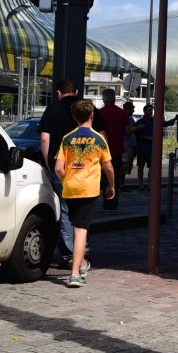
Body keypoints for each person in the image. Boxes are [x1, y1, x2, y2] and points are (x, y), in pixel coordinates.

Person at [39, 78, 106, 266]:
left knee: (65, 210)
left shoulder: (52, 108)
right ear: (76, 91)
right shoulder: (88, 108)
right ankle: (83, 248)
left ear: (59, 93)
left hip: (62, 167)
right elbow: (102, 136)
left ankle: (70, 254)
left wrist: (49, 163)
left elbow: (45, 139)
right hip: (87, 170)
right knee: (83, 211)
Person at [54, 99, 115, 287]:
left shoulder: (67, 138)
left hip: (70, 188)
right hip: (89, 189)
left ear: (74, 117)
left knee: (74, 226)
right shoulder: (98, 139)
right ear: (92, 115)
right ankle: (75, 274)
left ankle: (81, 264)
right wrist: (111, 186)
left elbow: (58, 168)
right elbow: (109, 167)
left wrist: (67, 180)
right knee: (81, 230)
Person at [131, 104, 178, 192]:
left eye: (151, 110)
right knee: (140, 167)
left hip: (152, 148)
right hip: (142, 148)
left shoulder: (154, 120)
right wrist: (147, 138)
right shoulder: (140, 122)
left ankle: (149, 183)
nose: (151, 112)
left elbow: (165, 123)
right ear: (144, 111)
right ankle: (140, 183)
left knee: (151, 167)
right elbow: (136, 135)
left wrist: (174, 119)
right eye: (149, 110)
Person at [97, 88, 129, 210]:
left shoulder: (98, 113)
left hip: (100, 151)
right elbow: (126, 132)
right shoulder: (122, 113)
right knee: (114, 178)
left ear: (103, 99)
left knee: (100, 177)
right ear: (114, 98)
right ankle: (112, 203)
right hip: (116, 150)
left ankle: (102, 202)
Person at [120, 100, 138, 188]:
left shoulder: (130, 118)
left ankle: (122, 183)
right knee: (124, 164)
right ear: (128, 109)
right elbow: (127, 131)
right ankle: (121, 184)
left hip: (130, 145)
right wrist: (138, 128)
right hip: (126, 145)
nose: (133, 111)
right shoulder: (125, 117)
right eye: (132, 109)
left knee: (127, 165)